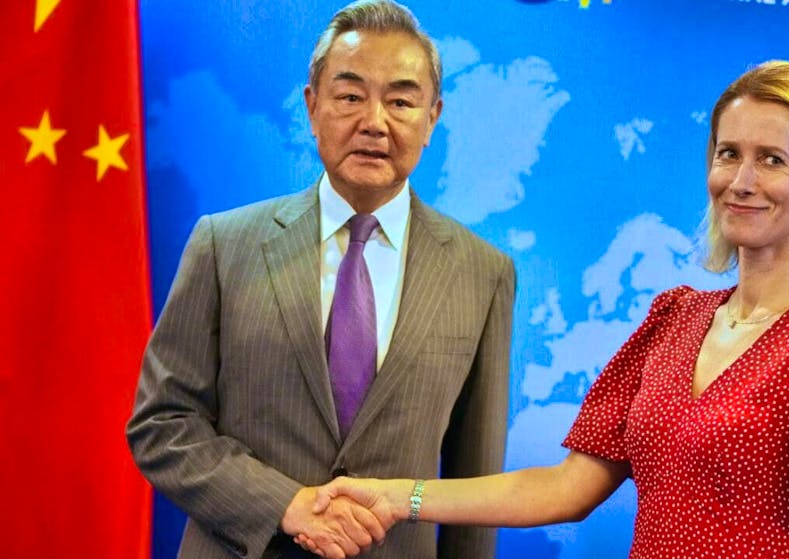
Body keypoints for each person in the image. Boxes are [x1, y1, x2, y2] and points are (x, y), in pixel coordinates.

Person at [301, 60, 789, 559]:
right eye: (728, 153)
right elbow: (566, 488)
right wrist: (392, 496)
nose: (741, 180)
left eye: (773, 159)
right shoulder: (675, 318)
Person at [126, 1, 515, 558]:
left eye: (401, 100)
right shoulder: (223, 244)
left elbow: (473, 482)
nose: (374, 122)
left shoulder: (483, 273)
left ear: (432, 118)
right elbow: (161, 424)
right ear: (312, 107)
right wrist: (283, 504)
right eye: (351, 96)